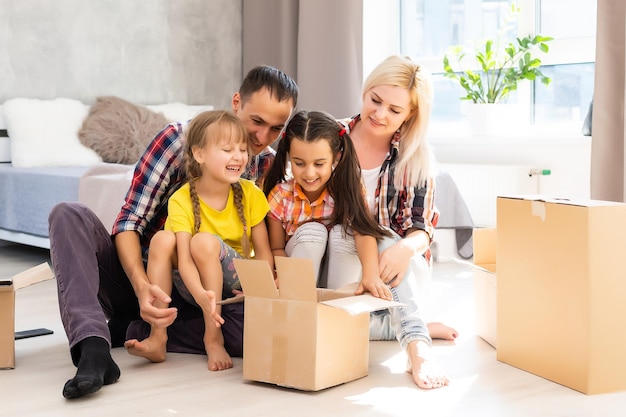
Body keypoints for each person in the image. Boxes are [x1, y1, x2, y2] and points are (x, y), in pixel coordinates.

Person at [48, 65, 298, 399]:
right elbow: (130, 222)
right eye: (256, 121)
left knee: (258, 332)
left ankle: (134, 330)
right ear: (236, 102)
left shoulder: (266, 165)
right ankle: (94, 347)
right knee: (67, 214)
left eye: (275, 129)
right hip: (143, 277)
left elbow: (263, 242)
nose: (262, 138)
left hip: (206, 296)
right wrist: (142, 288)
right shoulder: (177, 140)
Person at [326, 55, 454, 389]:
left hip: (395, 270)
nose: (380, 114)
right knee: (330, 319)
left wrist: (405, 249)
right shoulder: (331, 139)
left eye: (395, 110)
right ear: (365, 92)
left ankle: (417, 347)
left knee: (383, 236)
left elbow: (422, 227)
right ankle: (416, 324)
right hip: (340, 255)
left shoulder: (416, 156)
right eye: (375, 100)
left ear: (411, 114)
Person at [125, 110, 273, 371]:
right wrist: (202, 296)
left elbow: (263, 252)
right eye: (227, 149)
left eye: (241, 149)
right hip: (196, 285)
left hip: (237, 281)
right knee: (161, 240)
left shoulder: (251, 192)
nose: (238, 156)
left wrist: (260, 289)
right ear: (199, 154)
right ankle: (158, 337)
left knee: (203, 242)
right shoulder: (181, 199)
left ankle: (212, 337)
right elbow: (183, 262)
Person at [262, 109, 393, 300]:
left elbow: (363, 232)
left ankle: (340, 305)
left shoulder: (347, 188)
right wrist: (285, 274)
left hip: (335, 273)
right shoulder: (280, 195)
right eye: (299, 163)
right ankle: (298, 304)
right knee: (314, 232)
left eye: (319, 164)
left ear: (335, 158)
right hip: (297, 272)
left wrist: (371, 275)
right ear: (290, 156)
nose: (309, 173)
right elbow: (276, 248)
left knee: (344, 234)